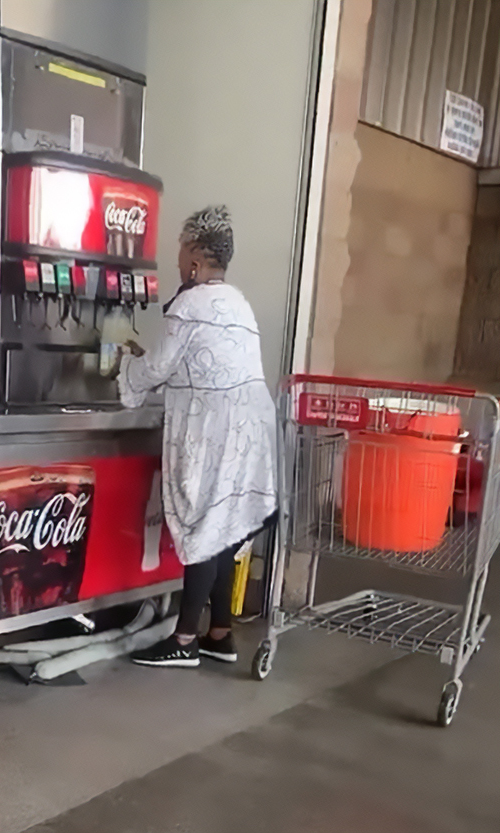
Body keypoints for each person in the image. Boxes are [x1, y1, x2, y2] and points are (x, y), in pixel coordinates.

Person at [116, 205, 278, 668]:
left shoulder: (190, 304)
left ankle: (184, 639)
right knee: (226, 527)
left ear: (194, 259)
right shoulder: (238, 303)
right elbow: (199, 363)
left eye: (180, 251)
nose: (177, 261)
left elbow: (159, 368)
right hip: (250, 430)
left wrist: (125, 369)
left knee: (206, 527)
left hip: (215, 431)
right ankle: (219, 634)